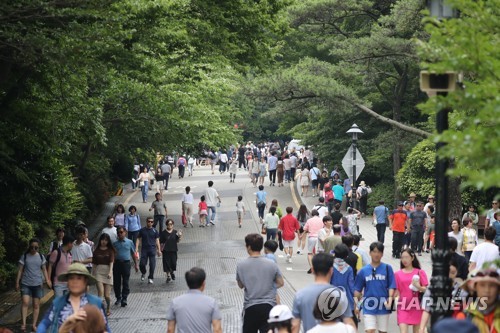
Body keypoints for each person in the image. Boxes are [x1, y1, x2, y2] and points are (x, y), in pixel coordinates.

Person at [37, 263, 110, 333]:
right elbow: (44, 323)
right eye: (71, 278)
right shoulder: (58, 303)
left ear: (85, 281)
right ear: (67, 281)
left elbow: (105, 327)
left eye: (79, 278)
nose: (75, 282)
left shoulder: (96, 303)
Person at [291, 253, 355, 333]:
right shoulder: (339, 294)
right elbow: (349, 323)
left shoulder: (300, 295)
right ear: (331, 270)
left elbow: (295, 325)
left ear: (313, 270)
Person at [236, 233, 284, 333]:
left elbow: (240, 285)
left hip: (250, 307)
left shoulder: (241, 265)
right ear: (261, 247)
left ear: (248, 247)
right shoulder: (271, 263)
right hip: (269, 306)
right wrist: (268, 285)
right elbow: (281, 282)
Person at [354, 242, 396, 333]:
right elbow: (357, 290)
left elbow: (392, 285)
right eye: (374, 252)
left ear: (382, 254)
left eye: (379, 252)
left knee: (382, 331)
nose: (376, 254)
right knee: (370, 330)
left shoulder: (387, 268)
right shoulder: (363, 271)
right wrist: (356, 305)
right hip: (368, 305)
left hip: (383, 306)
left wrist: (390, 299)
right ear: (370, 253)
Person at [166, 267, 222, 333]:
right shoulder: (211, 303)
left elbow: (170, 329)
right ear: (203, 283)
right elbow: (217, 329)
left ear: (188, 283)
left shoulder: (175, 302)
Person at [16, 239, 51, 333]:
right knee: (25, 302)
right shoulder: (25, 256)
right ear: (29, 246)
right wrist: (17, 282)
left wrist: (47, 280)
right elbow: (20, 270)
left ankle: (34, 325)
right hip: (25, 283)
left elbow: (44, 270)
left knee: (36, 305)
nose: (33, 249)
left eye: (36, 247)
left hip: (37, 284)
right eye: (32, 247)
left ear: (38, 247)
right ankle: (23, 324)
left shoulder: (41, 256)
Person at [394, 249, 428, 333]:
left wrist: (418, 286)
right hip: (403, 306)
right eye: (402, 258)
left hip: (417, 306)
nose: (404, 260)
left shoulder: (420, 272)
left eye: (407, 257)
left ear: (412, 258)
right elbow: (396, 291)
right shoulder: (397, 274)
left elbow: (426, 289)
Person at [459, 266, 500, 333]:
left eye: (492, 286)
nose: (487, 290)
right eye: (482, 285)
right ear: (475, 288)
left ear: (498, 289)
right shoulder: (464, 317)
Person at [330, 244, 357, 326]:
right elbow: (351, 285)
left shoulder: (330, 266)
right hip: (346, 299)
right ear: (346, 256)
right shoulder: (348, 268)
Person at [113, 226, 138, 308]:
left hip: (126, 264)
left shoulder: (129, 242)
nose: (120, 234)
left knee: (125, 282)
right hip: (117, 264)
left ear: (125, 232)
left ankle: (124, 298)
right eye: (118, 232)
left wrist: (136, 264)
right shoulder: (114, 244)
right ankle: (118, 297)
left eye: (121, 232)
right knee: (117, 282)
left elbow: (133, 254)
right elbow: (112, 256)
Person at [92, 233, 115, 316]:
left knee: (107, 295)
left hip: (108, 272)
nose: (104, 242)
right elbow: (94, 264)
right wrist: (92, 274)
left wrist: (110, 272)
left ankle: (108, 307)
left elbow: (111, 262)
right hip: (98, 272)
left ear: (108, 241)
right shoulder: (96, 251)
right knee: (100, 292)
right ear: (100, 240)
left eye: (106, 240)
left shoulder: (110, 251)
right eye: (102, 240)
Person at [136, 217, 161, 284]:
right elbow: (138, 239)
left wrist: (159, 250)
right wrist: (136, 249)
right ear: (146, 222)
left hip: (152, 249)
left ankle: (150, 277)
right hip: (144, 249)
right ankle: (143, 272)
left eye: (151, 222)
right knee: (142, 264)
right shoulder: (142, 230)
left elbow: (157, 240)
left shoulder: (155, 231)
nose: (150, 223)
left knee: (152, 265)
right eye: (149, 221)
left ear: (153, 223)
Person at [160, 218, 182, 283]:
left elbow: (178, 241)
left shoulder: (175, 232)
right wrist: (159, 250)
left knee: (173, 263)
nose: (170, 225)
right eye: (168, 224)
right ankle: (168, 276)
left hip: (173, 249)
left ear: (173, 225)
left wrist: (180, 236)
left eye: (171, 224)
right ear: (166, 225)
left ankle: (172, 271)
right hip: (166, 250)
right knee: (166, 263)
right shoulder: (163, 233)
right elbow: (160, 241)